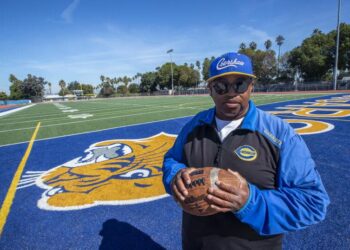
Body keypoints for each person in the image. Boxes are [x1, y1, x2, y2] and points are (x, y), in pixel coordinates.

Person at [162, 52, 330, 250]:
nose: (231, 92)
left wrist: (251, 202)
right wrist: (175, 176)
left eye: (240, 84)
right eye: (221, 85)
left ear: (251, 87)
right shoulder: (193, 126)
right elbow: (172, 160)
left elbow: (313, 202)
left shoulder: (280, 134)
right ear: (210, 89)